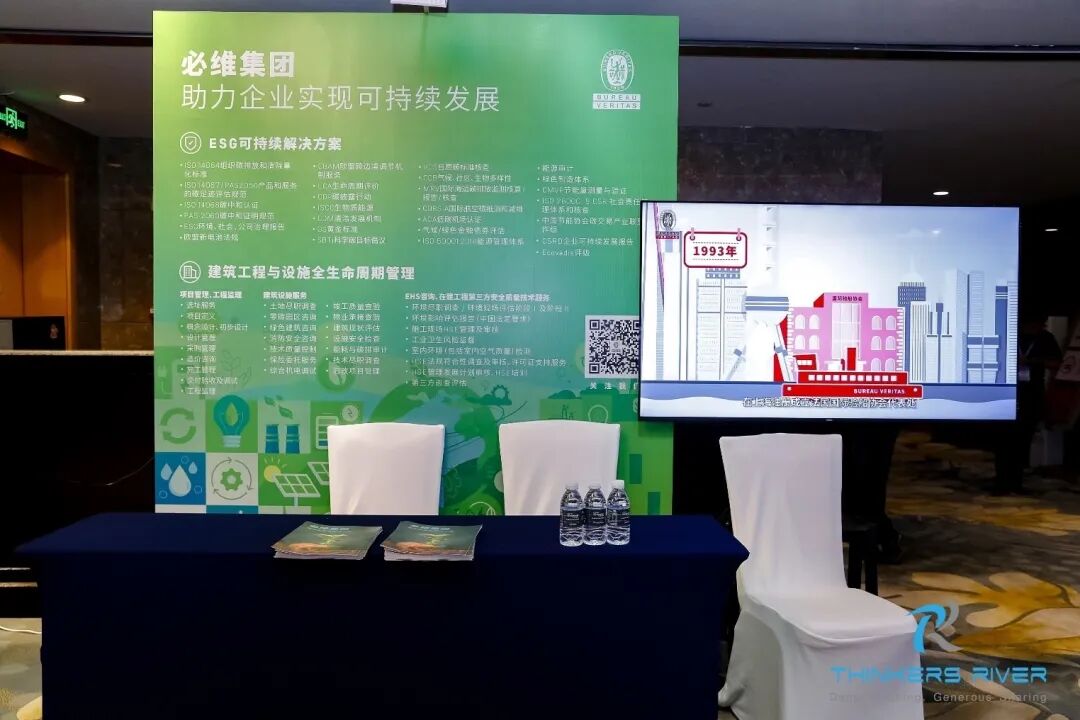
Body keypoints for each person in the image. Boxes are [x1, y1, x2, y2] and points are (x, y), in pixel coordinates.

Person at [994, 313, 1062, 494]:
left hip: (1032, 393)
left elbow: (1056, 363)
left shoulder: (1046, 338)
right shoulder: (1009, 334)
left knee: (1023, 439)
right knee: (1003, 440)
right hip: (1006, 391)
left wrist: (1031, 361)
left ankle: (1016, 482)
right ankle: (1001, 481)